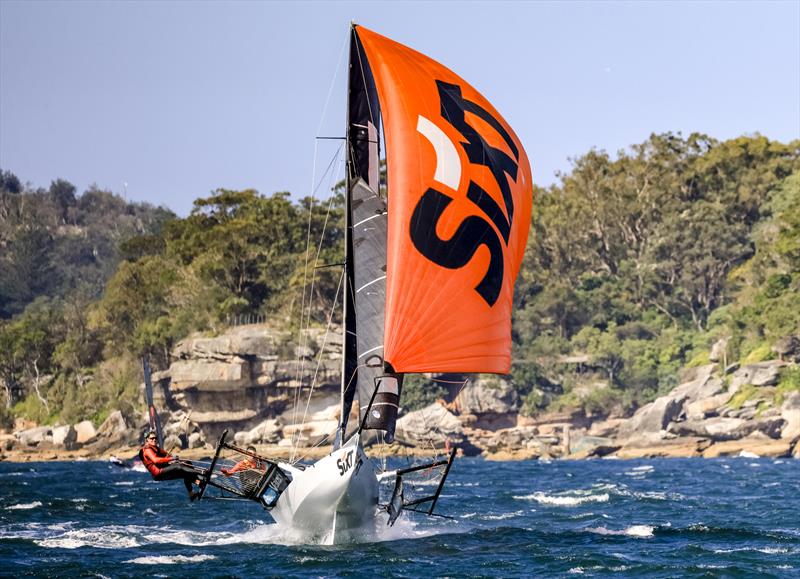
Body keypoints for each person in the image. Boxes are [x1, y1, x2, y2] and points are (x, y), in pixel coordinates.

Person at [139, 431, 201, 501]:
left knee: (186, 464)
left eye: (155, 438)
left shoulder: (155, 448)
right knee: (179, 467)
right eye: (152, 438)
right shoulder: (147, 450)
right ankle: (201, 474)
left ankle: (193, 491)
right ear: (147, 439)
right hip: (159, 473)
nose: (154, 439)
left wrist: (171, 458)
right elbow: (155, 460)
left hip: (163, 469)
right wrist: (171, 459)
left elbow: (166, 454)